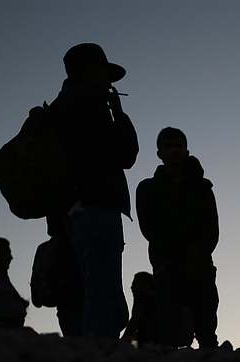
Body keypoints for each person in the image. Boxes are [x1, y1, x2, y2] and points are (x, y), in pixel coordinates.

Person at [45, 43, 139, 339]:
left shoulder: (58, 105)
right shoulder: (89, 100)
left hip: (68, 213)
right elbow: (126, 154)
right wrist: (119, 113)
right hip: (96, 205)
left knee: (88, 290)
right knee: (102, 292)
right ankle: (98, 357)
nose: (109, 82)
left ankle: (85, 356)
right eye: (104, 72)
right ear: (90, 70)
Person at [136, 128, 219, 348]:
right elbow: (150, 228)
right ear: (159, 153)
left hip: (201, 266)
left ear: (186, 151)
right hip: (167, 267)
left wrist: (198, 254)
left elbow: (211, 229)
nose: (173, 150)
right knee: (168, 334)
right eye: (168, 146)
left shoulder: (203, 188)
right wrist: (185, 252)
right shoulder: (147, 188)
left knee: (207, 334)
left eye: (178, 146)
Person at [121, 271, 161, 346]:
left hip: (149, 346)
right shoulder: (157, 300)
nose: (131, 287)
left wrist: (124, 339)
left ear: (146, 285)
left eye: (135, 284)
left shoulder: (142, 296)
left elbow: (136, 318)